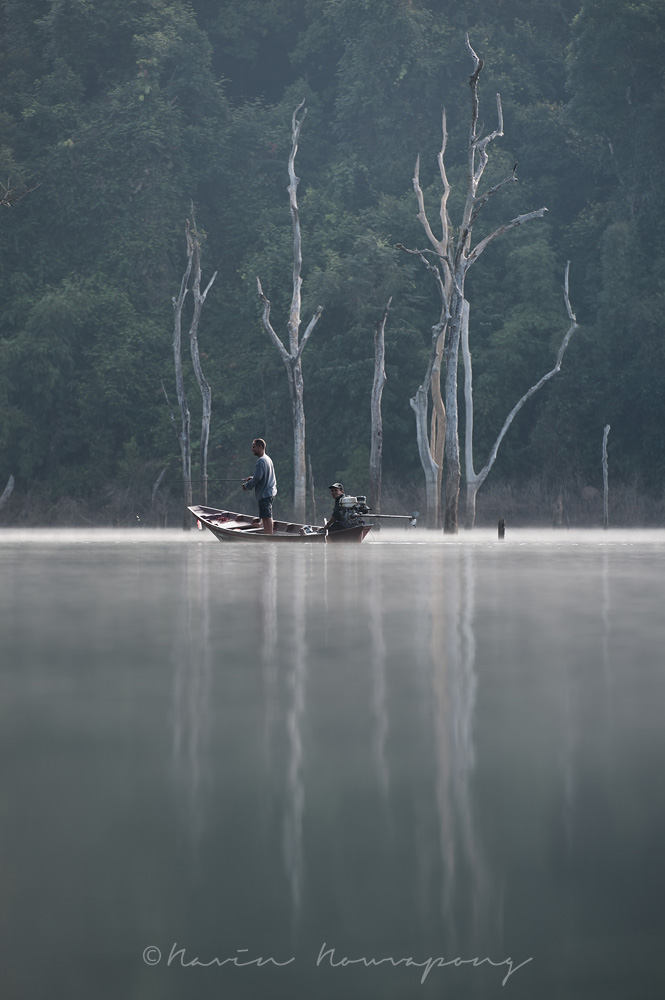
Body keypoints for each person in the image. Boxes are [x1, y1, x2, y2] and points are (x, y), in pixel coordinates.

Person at [242, 438, 277, 535]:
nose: (252, 449)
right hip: (269, 492)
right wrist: (252, 478)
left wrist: (247, 486)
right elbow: (261, 477)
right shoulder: (267, 459)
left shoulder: (261, 461)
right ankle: (267, 534)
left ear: (260, 447)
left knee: (267, 515)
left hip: (265, 493)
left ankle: (269, 536)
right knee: (265, 516)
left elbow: (257, 479)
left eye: (254, 447)